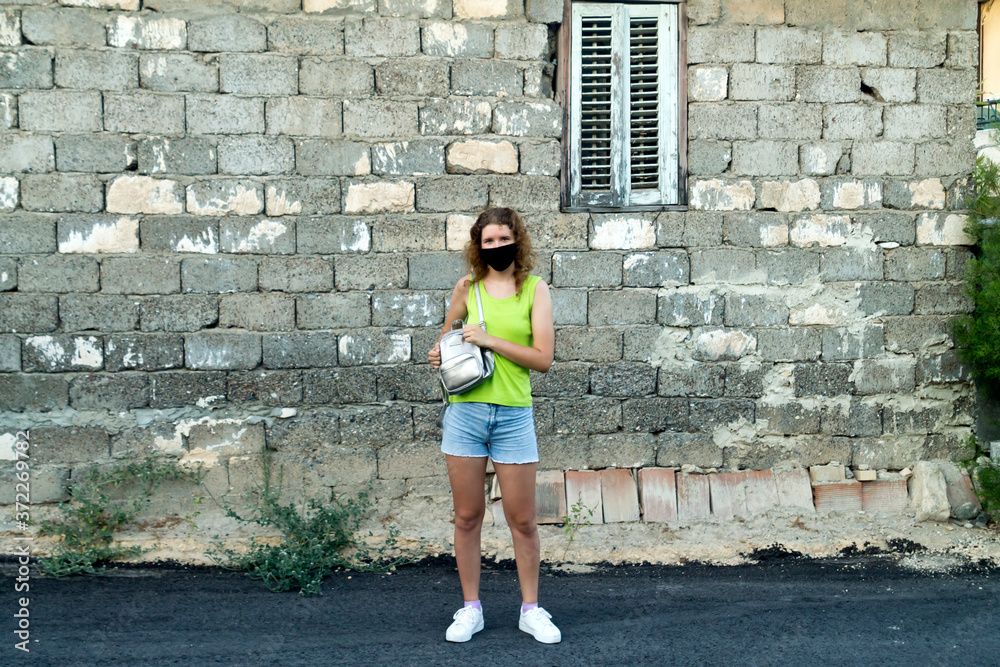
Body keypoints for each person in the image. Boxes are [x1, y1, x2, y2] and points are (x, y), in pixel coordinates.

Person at [427, 207, 561, 644]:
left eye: (503, 238)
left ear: (516, 241)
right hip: (465, 412)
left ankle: (531, 610)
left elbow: (542, 359)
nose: (496, 246)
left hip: (513, 415)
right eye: (488, 241)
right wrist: (438, 354)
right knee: (468, 517)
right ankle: (470, 610)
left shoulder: (535, 291)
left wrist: (490, 340)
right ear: (477, 245)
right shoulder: (467, 288)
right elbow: (447, 342)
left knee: (522, 519)